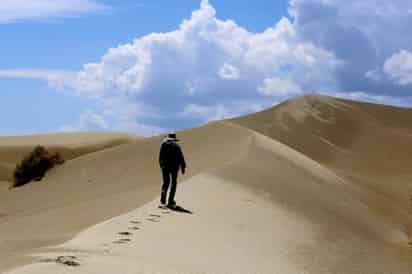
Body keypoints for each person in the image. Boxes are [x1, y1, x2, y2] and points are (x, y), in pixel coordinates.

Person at [159, 132, 186, 208]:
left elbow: (160, 157)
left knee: (165, 184)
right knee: (173, 184)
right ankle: (170, 202)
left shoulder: (163, 144)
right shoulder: (176, 146)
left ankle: (162, 201)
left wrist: (162, 166)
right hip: (174, 168)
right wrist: (183, 167)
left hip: (165, 168)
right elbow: (181, 157)